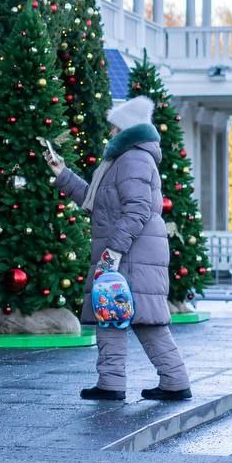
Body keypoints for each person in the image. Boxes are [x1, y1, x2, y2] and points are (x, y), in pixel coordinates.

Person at [44, 95, 193, 402]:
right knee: (112, 314)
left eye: (114, 128)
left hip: (132, 255)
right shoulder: (122, 160)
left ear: (126, 130)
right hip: (129, 254)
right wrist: (63, 174)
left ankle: (171, 381)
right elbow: (97, 204)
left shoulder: (134, 159)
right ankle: (116, 382)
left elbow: (136, 210)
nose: (110, 133)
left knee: (140, 318)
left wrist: (113, 252)